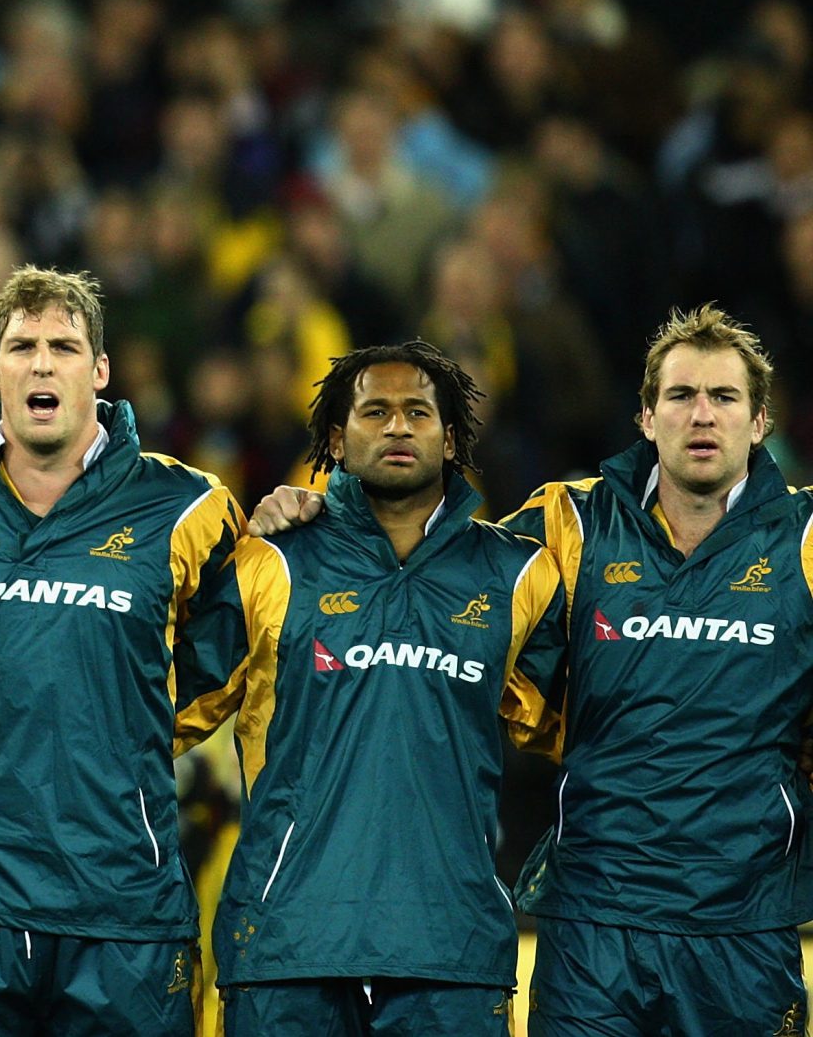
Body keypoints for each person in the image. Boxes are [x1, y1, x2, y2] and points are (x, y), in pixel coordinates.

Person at [249, 306, 813, 1036]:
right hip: (594, 924)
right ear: (646, 415)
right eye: (680, 396)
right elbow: (434, 564)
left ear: (761, 419)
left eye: (724, 397)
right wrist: (327, 512)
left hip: (745, 920)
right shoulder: (570, 523)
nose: (701, 415)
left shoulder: (803, 541)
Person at [0, 265, 244, 1036]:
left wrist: (123, 728)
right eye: (22, 345)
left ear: (100, 371)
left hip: (120, 901)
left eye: (65, 346)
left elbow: (228, 657)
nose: (42, 362)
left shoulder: (190, 507)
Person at [204, 342, 566, 1034]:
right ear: (337, 439)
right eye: (375, 411)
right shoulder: (268, 558)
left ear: (451, 436)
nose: (398, 427)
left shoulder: (519, 576)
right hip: (287, 941)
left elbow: (593, 726)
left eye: (417, 412)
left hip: (450, 947)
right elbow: (164, 706)